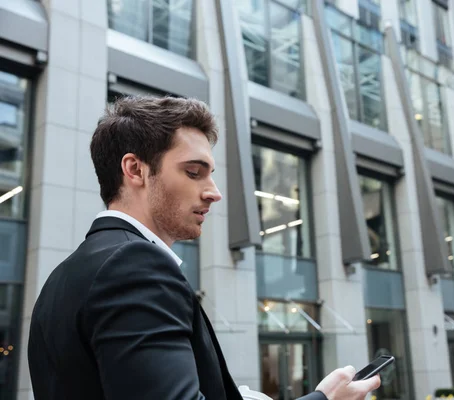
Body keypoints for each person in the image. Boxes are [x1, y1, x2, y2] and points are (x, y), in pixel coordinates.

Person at [27, 96, 381, 400]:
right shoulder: (134, 266)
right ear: (134, 169)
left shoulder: (62, 278)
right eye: (194, 172)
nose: (214, 191)